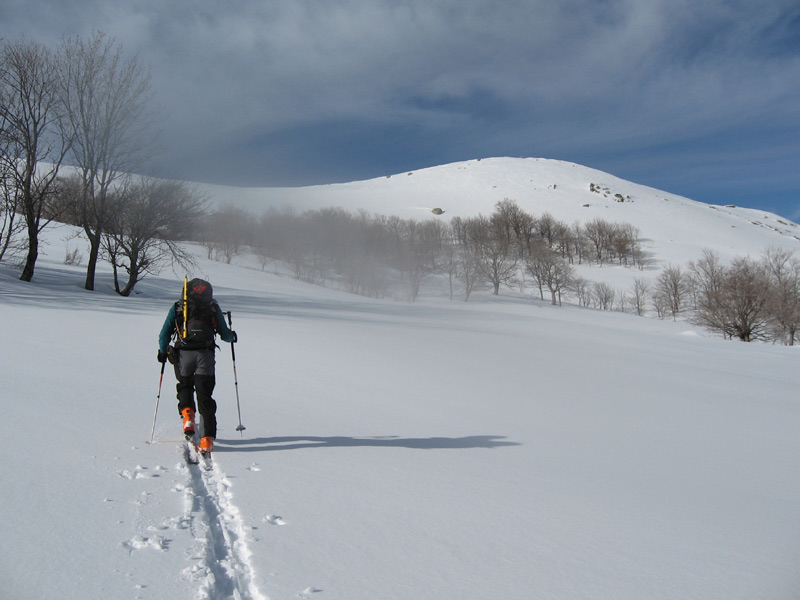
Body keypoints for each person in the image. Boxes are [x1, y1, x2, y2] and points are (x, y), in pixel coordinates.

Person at [157, 278, 237, 454]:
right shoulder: (212, 307)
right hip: (205, 355)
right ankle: (207, 439)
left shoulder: (179, 307)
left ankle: (188, 416)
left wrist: (163, 351)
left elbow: (164, 334)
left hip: (184, 354)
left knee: (185, 385)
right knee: (205, 395)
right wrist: (232, 336)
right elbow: (225, 335)